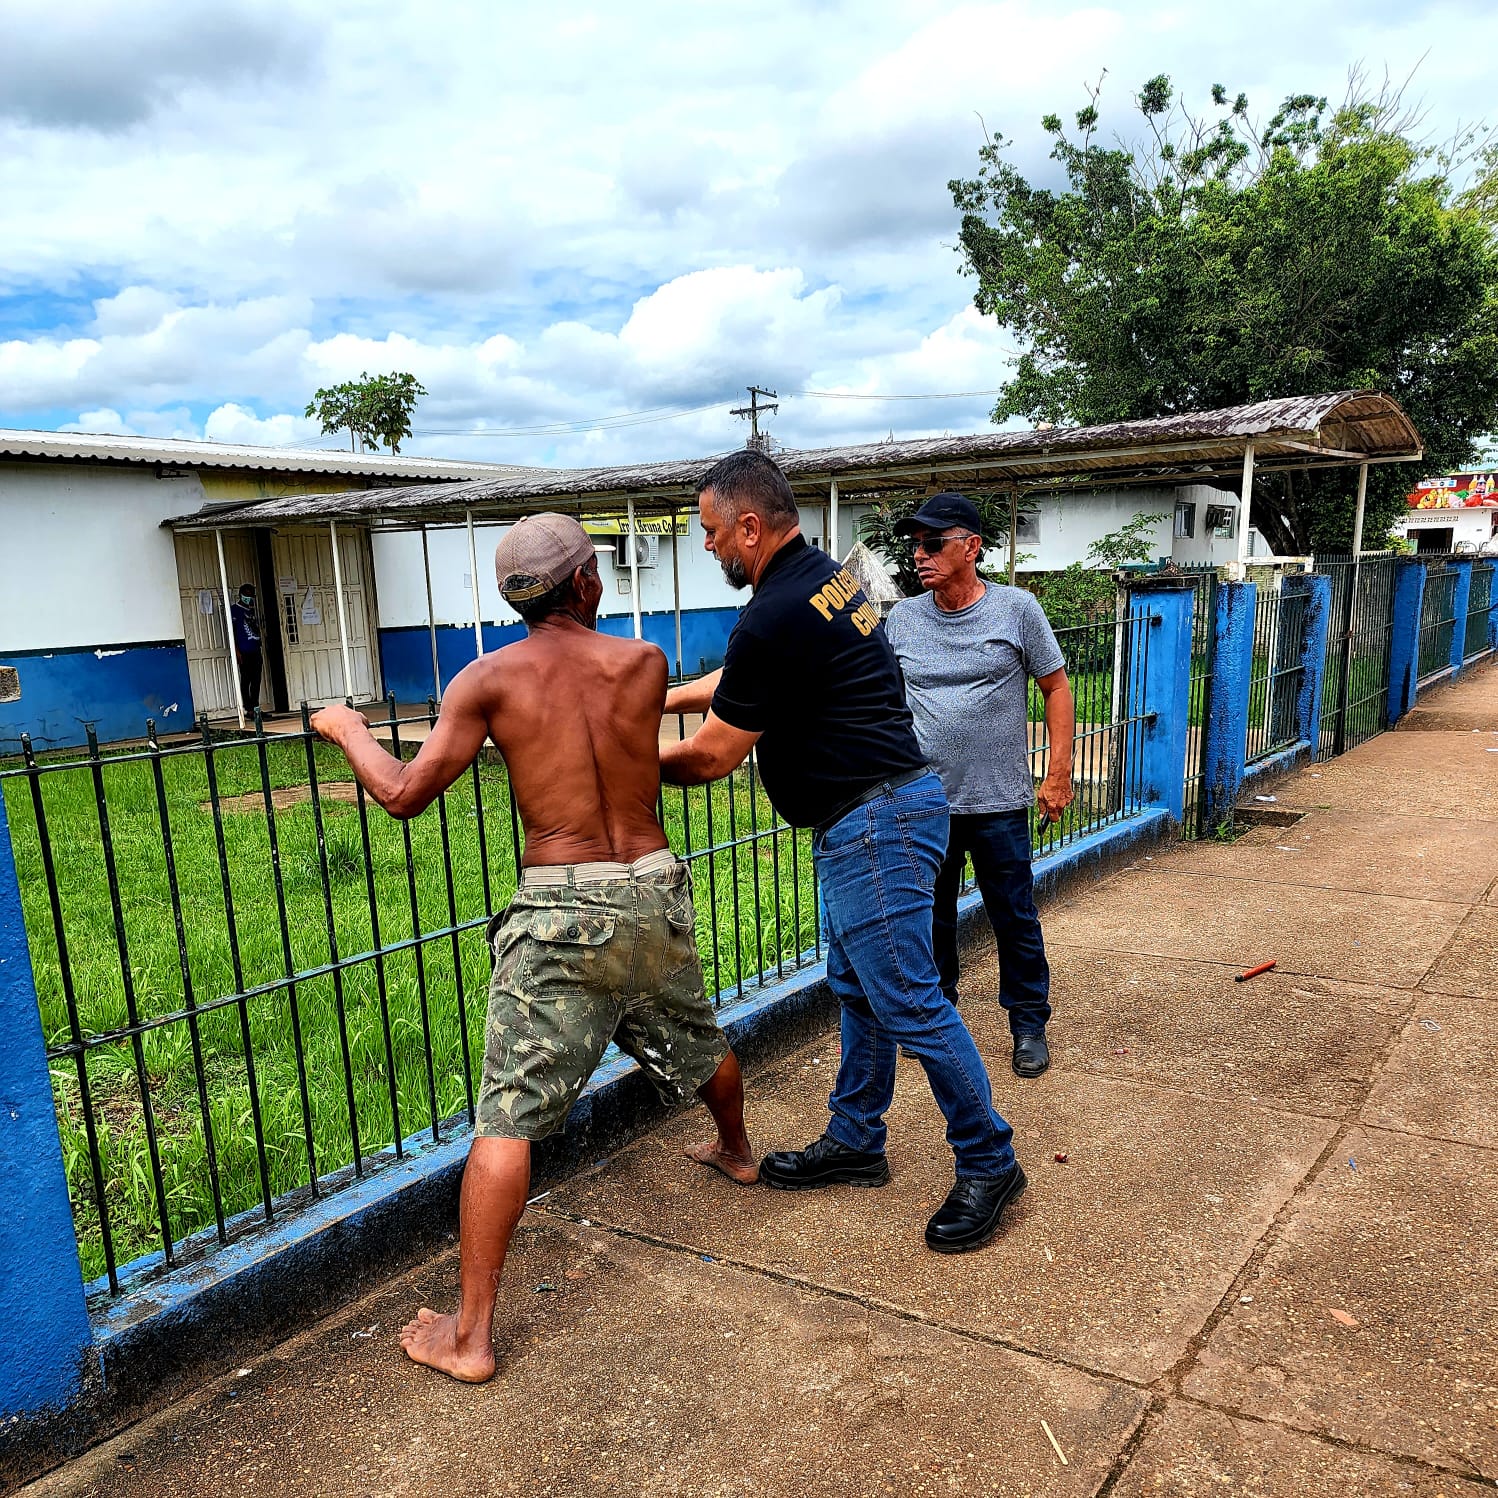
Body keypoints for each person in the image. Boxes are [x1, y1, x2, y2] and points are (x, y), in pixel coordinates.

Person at [310, 513, 755, 1384]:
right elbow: (627, 742)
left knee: (507, 1117)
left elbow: (404, 794)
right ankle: (739, 1152)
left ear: (513, 597)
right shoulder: (642, 663)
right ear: (588, 584)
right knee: (695, 1034)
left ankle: (470, 1336)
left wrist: (344, 729)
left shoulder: (485, 680)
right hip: (654, 884)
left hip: (561, 907)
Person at [661, 451, 1025, 1255]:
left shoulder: (774, 610)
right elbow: (747, 675)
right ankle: (857, 1137)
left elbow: (716, 755)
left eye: (714, 532)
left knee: (908, 999)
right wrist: (669, 695)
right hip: (884, 810)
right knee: (860, 987)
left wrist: (618, 762)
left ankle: (990, 1159)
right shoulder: (820, 580)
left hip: (876, 820)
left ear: (750, 526)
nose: (711, 547)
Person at [884, 493, 1075, 1079]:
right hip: (922, 805)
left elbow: (1057, 687)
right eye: (914, 545)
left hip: (997, 803)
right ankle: (937, 1022)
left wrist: (1058, 772)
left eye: (933, 543)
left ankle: (1027, 1024)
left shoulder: (1016, 610)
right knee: (930, 919)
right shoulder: (901, 619)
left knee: (1013, 916)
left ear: (971, 547)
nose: (920, 555)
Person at [230, 582, 263, 714]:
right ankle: (248, 708)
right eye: (247, 595)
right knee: (246, 679)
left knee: (256, 679)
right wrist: (237, 651)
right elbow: (231, 632)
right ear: (241, 595)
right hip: (244, 650)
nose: (249, 598)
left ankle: (255, 706)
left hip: (255, 649)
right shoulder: (234, 610)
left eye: (251, 595)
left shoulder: (252, 610)